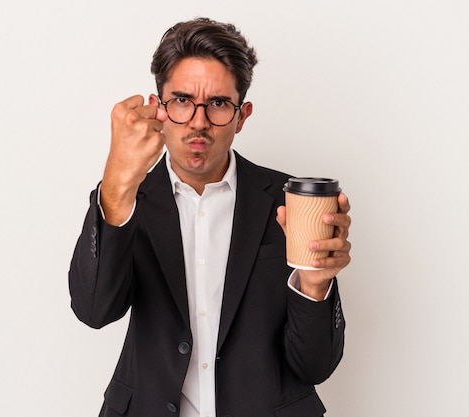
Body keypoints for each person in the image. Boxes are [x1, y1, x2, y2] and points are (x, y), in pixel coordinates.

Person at [69, 17, 351, 417]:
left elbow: (315, 367)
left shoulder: (289, 203)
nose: (199, 122)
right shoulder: (128, 198)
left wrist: (315, 286)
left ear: (242, 114)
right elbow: (94, 311)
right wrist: (115, 185)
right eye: (182, 100)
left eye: (218, 103)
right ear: (159, 108)